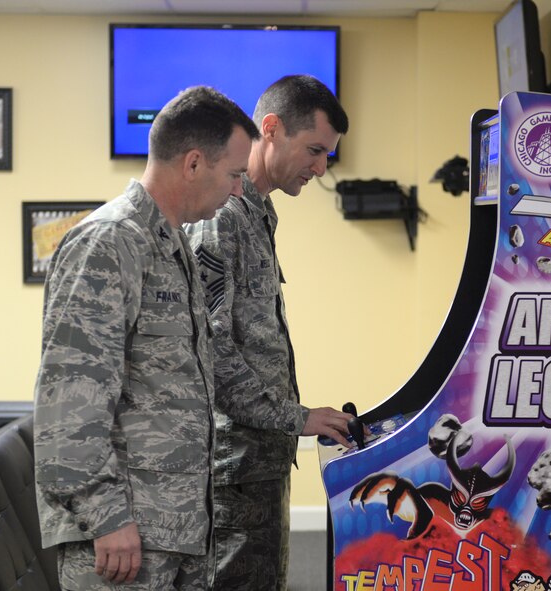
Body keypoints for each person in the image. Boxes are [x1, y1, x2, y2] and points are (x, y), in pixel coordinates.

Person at [33, 86, 260, 590]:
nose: (239, 191)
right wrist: (107, 516)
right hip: (122, 539)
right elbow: (70, 400)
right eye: (235, 175)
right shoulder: (110, 241)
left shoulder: (170, 243)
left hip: (175, 530)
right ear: (195, 163)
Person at [184, 75, 352, 590]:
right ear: (272, 129)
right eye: (315, 150)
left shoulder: (259, 212)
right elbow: (210, 346)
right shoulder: (221, 219)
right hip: (232, 467)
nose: (322, 168)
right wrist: (295, 417)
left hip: (260, 459)